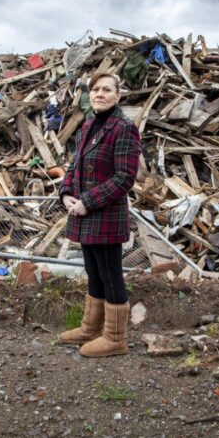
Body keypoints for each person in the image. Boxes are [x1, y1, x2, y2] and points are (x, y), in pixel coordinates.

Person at [58, 72, 141, 357]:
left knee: (111, 274)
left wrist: (87, 202)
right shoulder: (87, 126)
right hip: (84, 213)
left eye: (107, 89)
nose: (99, 94)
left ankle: (115, 339)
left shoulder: (124, 128)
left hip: (105, 214)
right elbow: (74, 167)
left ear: (118, 95)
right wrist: (66, 192)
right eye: (95, 89)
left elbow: (125, 177)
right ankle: (90, 328)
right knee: (93, 272)